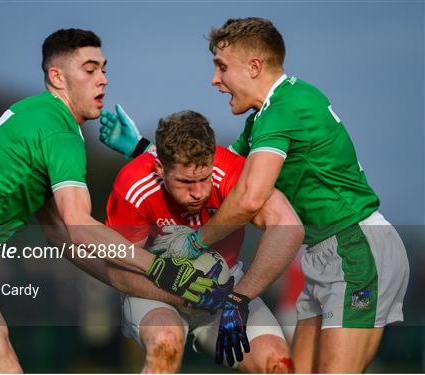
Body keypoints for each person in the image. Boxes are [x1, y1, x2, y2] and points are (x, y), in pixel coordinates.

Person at [0, 28, 220, 373]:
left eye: (104, 69)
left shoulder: (38, 115)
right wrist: (160, 270)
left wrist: (138, 282)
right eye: (90, 69)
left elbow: (61, 234)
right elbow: (80, 228)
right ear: (57, 77)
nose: (103, 80)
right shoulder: (60, 133)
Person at [99, 17, 410, 373]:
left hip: (355, 248)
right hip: (323, 253)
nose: (215, 80)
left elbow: (248, 196)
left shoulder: (284, 108)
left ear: (254, 66)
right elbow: (215, 173)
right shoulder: (263, 119)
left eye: (222, 67)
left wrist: (196, 243)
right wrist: (145, 150)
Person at [103, 110, 303, 372]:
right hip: (156, 290)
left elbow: (289, 228)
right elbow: (119, 274)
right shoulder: (134, 186)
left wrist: (239, 298)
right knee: (166, 341)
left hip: (226, 289)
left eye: (204, 178)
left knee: (277, 362)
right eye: (185, 181)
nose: (198, 192)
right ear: (160, 168)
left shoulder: (230, 170)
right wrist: (183, 293)